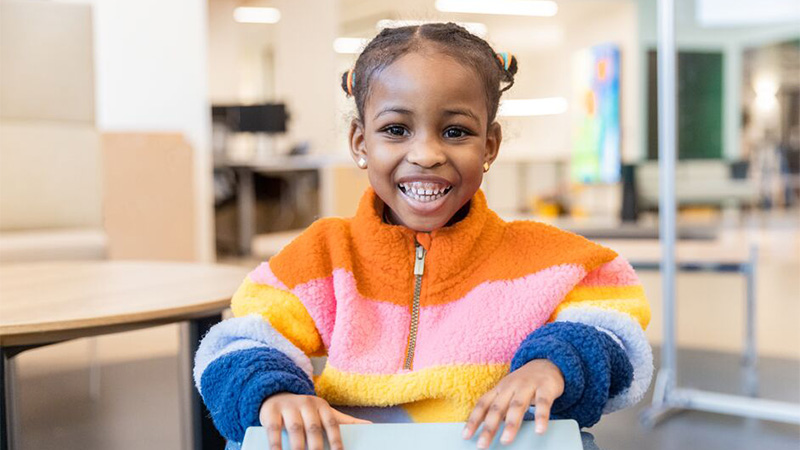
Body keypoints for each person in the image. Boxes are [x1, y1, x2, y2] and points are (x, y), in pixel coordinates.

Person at [194, 23, 652, 450]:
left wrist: (553, 362)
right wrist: (275, 395)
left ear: (489, 146)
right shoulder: (324, 254)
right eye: (396, 130)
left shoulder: (546, 257)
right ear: (360, 142)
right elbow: (241, 339)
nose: (427, 154)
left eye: (456, 131)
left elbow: (614, 323)